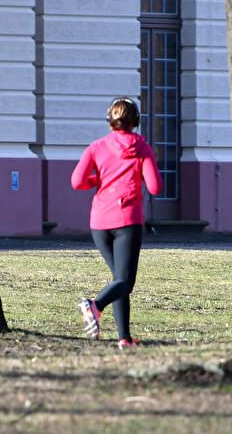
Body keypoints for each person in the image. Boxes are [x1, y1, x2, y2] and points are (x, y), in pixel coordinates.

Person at [71, 97, 163, 350]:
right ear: (136, 121)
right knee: (125, 282)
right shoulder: (142, 148)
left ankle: (125, 338)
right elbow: (155, 187)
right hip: (127, 221)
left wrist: (99, 181)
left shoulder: (96, 147)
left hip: (99, 222)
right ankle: (95, 305)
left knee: (119, 280)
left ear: (109, 120)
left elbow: (77, 181)